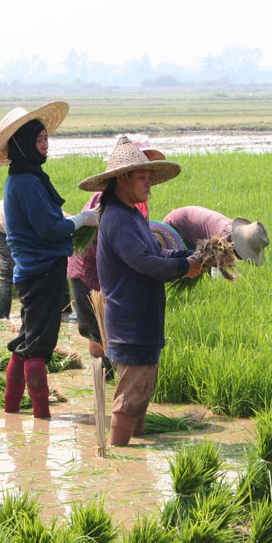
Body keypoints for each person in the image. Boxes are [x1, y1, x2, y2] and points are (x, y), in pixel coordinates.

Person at [79, 136, 203, 446]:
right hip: (131, 324)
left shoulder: (131, 214)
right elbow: (146, 264)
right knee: (130, 399)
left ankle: (136, 456)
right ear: (122, 179)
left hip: (141, 322)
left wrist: (190, 257)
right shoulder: (119, 219)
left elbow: (157, 255)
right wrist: (184, 268)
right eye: (142, 177)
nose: (149, 184)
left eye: (150, 178)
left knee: (139, 395)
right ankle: (119, 463)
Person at [0, 101, 100, 419]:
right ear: (22, 145)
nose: (45, 145)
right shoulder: (26, 182)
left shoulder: (26, 177)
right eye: (38, 140)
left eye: (46, 138)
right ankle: (41, 419)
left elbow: (46, 223)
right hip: (42, 272)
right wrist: (82, 219)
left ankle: (11, 415)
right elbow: (49, 229)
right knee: (37, 348)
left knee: (25, 341)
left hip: (34, 271)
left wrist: (73, 221)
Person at [67, 135, 157, 374]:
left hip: (110, 276)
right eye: (140, 168)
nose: (146, 175)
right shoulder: (107, 199)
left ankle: (109, 388)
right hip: (88, 273)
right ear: (124, 174)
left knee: (110, 332)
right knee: (97, 332)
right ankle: (103, 388)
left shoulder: (139, 201)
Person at [162, 206, 270, 266]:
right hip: (177, 225)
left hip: (185, 220)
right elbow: (214, 266)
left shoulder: (232, 231)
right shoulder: (223, 239)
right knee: (184, 265)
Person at [0, 199, 14, 320]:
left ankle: (64, 312)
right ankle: (3, 317)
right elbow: (17, 238)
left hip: (29, 225)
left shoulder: (42, 199)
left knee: (54, 260)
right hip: (4, 227)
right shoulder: (6, 213)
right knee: (7, 267)